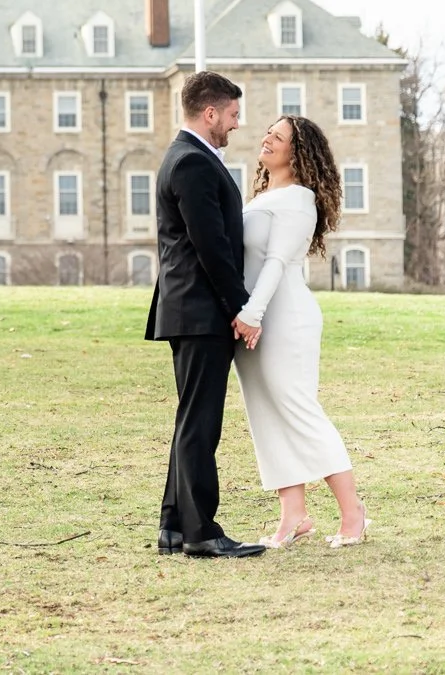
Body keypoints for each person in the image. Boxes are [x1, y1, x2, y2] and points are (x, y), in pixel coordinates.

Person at [145, 70, 267, 559]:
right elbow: (211, 246)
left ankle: (174, 526)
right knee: (201, 424)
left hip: (191, 308)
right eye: (233, 114)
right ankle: (201, 531)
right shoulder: (193, 162)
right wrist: (242, 307)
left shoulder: (186, 157)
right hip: (200, 311)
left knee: (190, 420)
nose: (237, 124)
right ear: (210, 112)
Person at [234, 114, 370, 549]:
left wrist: (253, 313)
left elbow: (276, 262)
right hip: (252, 319)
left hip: (283, 318)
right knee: (266, 414)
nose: (267, 138)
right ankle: (294, 515)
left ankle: (353, 514)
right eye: (267, 132)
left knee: (298, 411)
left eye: (278, 136)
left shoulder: (299, 199)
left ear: (298, 151)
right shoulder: (260, 198)